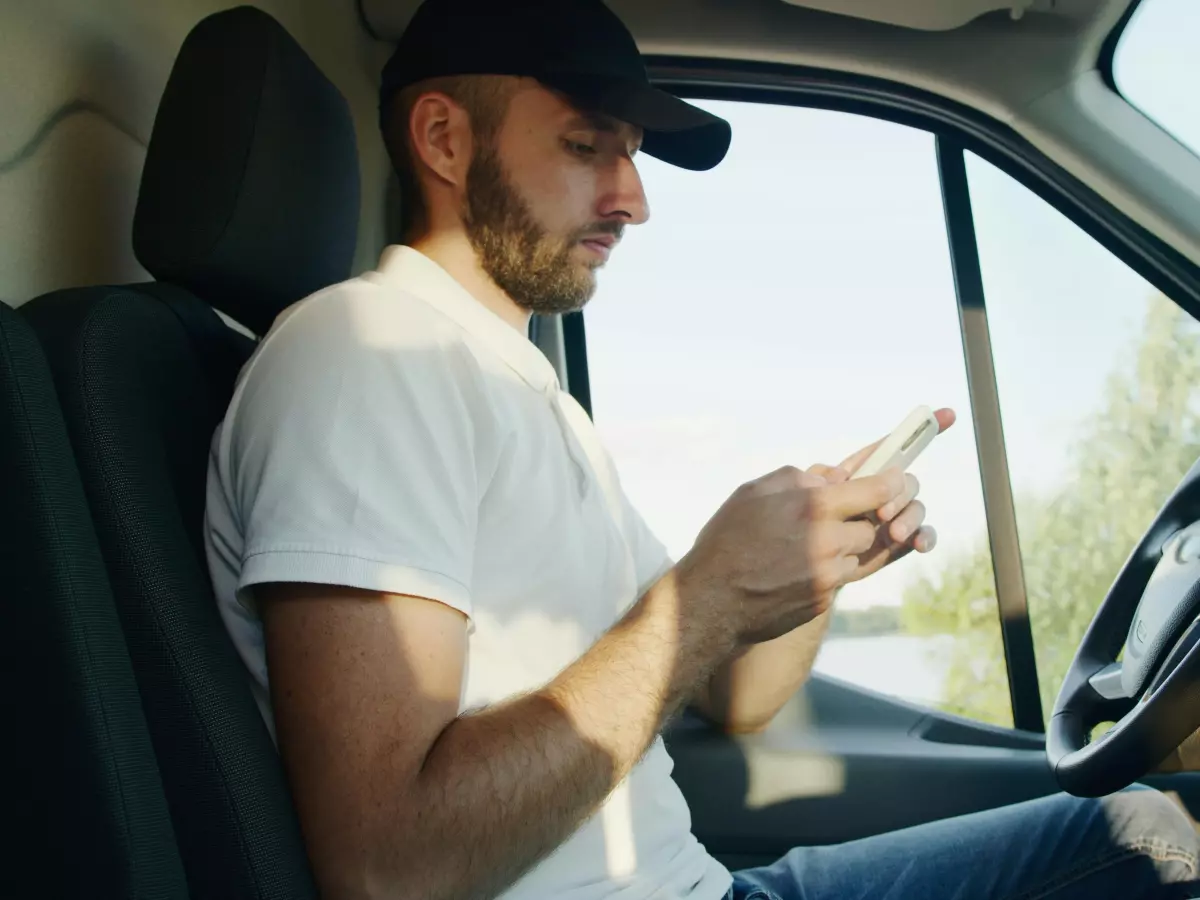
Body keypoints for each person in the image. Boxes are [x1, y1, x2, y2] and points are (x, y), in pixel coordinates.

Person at [203, 0, 1200, 897]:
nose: (634, 198)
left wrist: (814, 565)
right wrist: (709, 594)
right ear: (444, 139)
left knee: (1157, 826)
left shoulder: (524, 395)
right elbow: (389, 866)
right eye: (590, 145)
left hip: (708, 885)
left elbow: (737, 698)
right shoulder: (367, 357)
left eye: (630, 153)